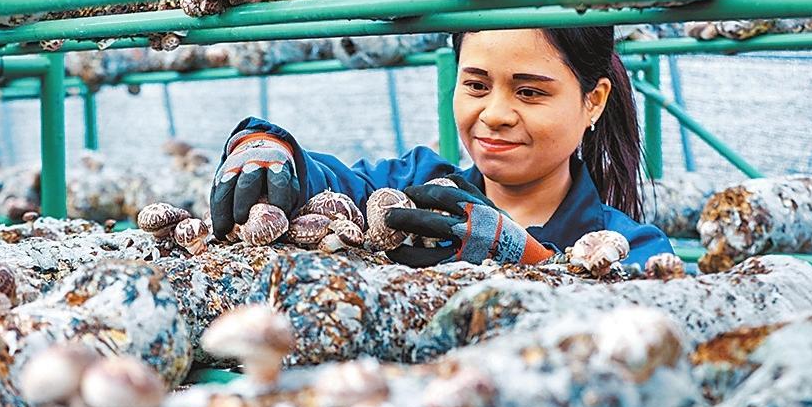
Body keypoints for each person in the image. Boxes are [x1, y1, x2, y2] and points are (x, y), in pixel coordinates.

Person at [209, 26, 673, 267]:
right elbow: (333, 183)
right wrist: (269, 146)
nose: (494, 114)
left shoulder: (635, 247)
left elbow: (641, 332)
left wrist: (529, 258)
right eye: (475, 85)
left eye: (530, 92)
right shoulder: (417, 187)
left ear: (593, 101)